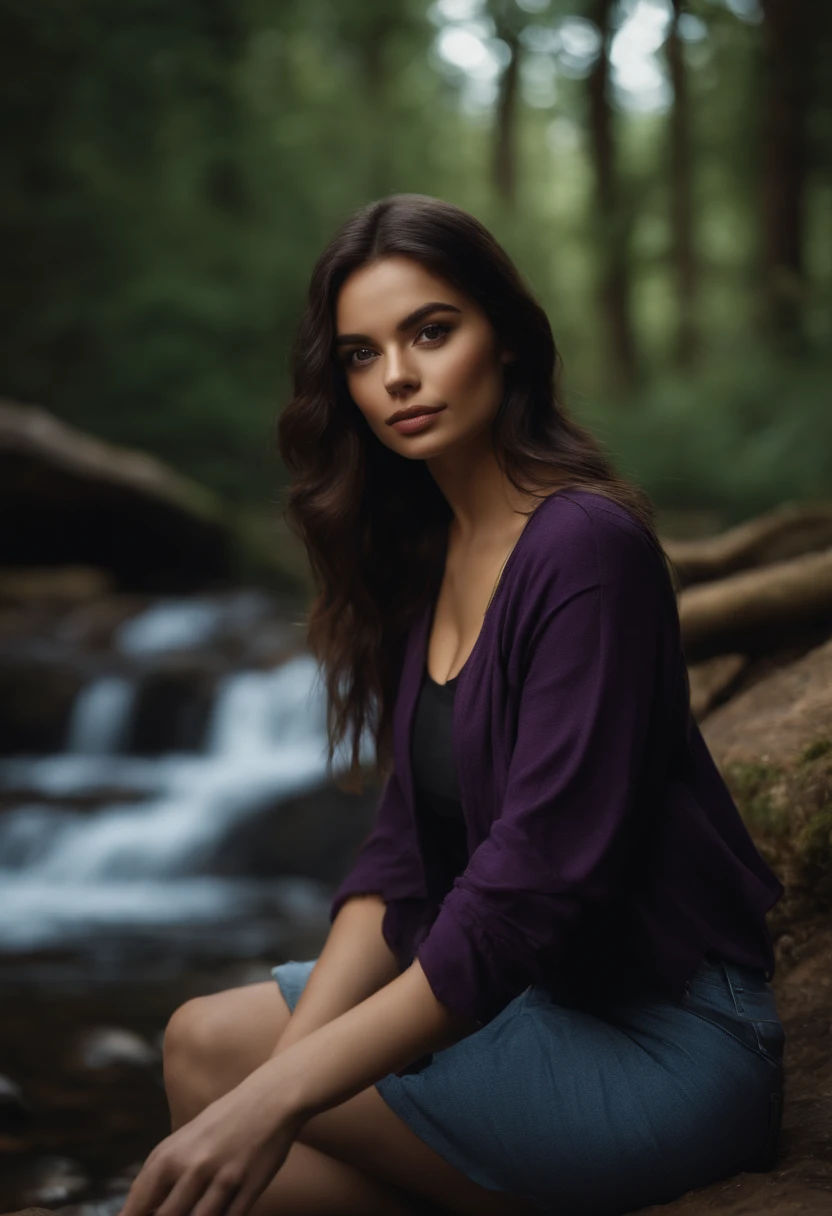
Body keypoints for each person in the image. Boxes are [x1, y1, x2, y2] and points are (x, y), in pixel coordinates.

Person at [120, 195, 786, 1216]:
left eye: (431, 331)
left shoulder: (584, 550)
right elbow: (397, 861)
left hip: (668, 1034)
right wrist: (286, 1078)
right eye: (360, 353)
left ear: (507, 340)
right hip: (536, 1000)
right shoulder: (424, 564)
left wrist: (282, 1094)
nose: (396, 376)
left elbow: (532, 888)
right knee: (204, 1045)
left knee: (240, 1097)